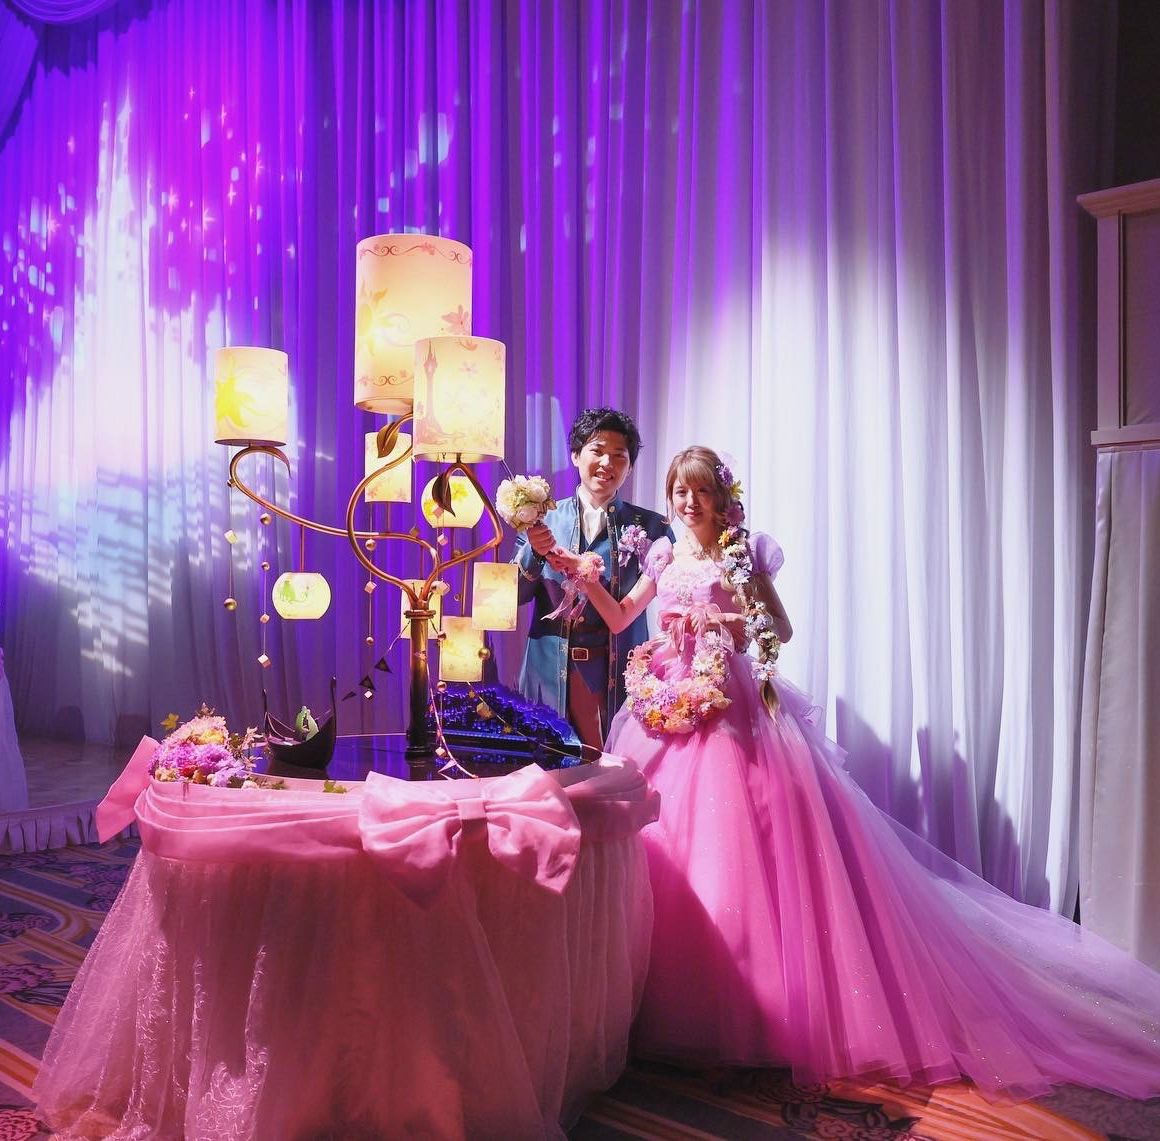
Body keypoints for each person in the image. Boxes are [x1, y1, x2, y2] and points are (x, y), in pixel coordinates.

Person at [565, 444, 1160, 1100]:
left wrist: (725, 621)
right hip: (668, 705)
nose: (688, 502)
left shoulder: (740, 554)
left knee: (737, 853)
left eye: (700, 491)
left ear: (720, 498)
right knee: (665, 848)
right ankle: (655, 1005)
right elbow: (620, 617)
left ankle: (745, 1021)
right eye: (680, 491)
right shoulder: (662, 555)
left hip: (731, 705)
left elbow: (780, 629)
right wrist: (583, 575)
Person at [513, 408, 672, 753]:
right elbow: (513, 599)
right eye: (597, 451)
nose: (607, 463)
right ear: (575, 455)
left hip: (620, 676)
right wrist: (532, 552)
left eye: (619, 456)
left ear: (630, 467)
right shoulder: (541, 521)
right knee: (548, 769)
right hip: (548, 673)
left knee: (615, 770)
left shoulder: (653, 528)